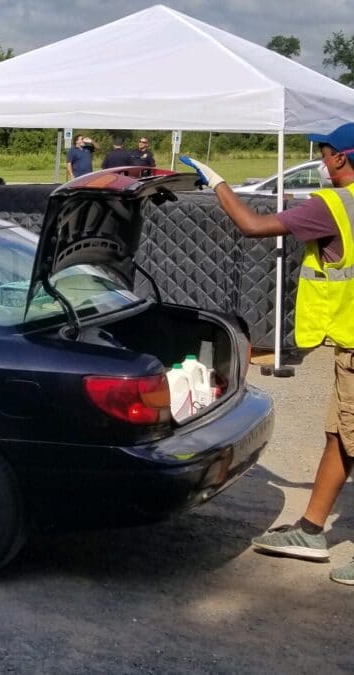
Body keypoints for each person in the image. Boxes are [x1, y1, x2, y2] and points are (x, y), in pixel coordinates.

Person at [182, 122, 354, 587]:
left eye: (324, 154)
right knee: (341, 435)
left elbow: (252, 224)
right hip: (349, 349)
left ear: (340, 157)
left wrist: (217, 183)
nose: (321, 162)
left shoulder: (334, 206)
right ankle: (312, 530)